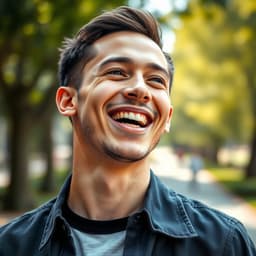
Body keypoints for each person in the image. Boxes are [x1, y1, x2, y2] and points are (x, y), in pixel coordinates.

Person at [0, 6, 255, 256]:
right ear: (68, 101)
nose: (141, 90)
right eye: (117, 72)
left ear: (167, 117)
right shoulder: (10, 246)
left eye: (156, 80)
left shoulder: (224, 244)